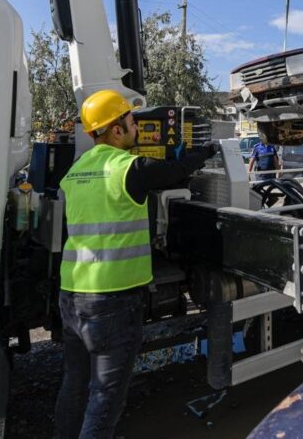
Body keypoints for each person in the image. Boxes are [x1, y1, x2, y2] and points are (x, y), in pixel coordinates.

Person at [55, 89, 215, 438]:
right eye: (132, 122)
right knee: (105, 399)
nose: (138, 128)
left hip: (71, 296)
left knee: (74, 385)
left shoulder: (76, 170)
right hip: (112, 301)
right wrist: (203, 153)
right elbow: (175, 170)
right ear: (116, 129)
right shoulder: (128, 168)